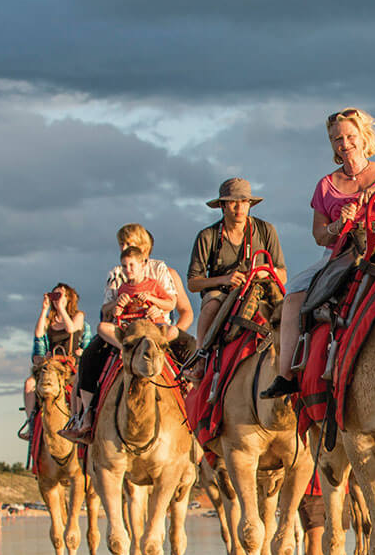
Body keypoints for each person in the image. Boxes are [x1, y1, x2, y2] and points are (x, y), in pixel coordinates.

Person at [260, 108, 375, 399]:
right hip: (341, 254)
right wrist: (339, 224)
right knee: (294, 294)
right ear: (332, 144)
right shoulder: (326, 185)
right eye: (337, 138)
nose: (345, 143)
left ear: (364, 138)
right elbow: (319, 236)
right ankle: (286, 373)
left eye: (350, 136)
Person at [61, 224, 195, 442]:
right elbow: (106, 312)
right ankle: (85, 417)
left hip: (156, 328)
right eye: (121, 244)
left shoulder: (162, 271)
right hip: (125, 330)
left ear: (142, 247)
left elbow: (178, 307)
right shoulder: (117, 274)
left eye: (128, 243)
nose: (124, 247)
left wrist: (164, 324)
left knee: (193, 349)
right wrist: (117, 304)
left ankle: (196, 408)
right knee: (88, 357)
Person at [186, 178, 286, 361]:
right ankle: (200, 356)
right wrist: (223, 280)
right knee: (212, 305)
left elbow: (282, 274)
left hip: (261, 291)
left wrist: (265, 271)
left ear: (250, 204)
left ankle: (294, 360)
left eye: (244, 202)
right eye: (233, 202)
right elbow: (193, 283)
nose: (239, 208)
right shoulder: (208, 236)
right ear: (223, 206)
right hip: (223, 293)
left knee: (289, 312)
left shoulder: (266, 230)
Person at [19, 283, 88, 437]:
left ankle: (80, 419)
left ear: (68, 298)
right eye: (54, 295)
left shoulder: (78, 315)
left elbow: (71, 329)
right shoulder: (51, 319)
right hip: (52, 364)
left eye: (60, 295)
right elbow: (38, 333)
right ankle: (31, 424)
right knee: (29, 384)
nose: (57, 298)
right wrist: (44, 309)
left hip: (69, 365)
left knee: (80, 383)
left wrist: (62, 309)